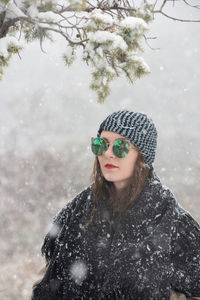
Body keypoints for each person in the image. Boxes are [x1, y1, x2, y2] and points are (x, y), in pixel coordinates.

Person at [32, 110, 200, 300]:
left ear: (142, 156)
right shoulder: (76, 212)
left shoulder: (169, 219)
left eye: (121, 147)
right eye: (101, 145)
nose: (108, 154)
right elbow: (52, 284)